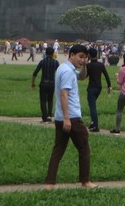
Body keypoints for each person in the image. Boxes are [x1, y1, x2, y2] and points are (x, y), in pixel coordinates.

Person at [45, 44, 97, 189]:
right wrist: (67, 118)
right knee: (84, 149)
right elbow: (64, 95)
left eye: (85, 58)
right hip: (71, 117)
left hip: (60, 117)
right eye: (80, 57)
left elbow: (81, 77)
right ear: (71, 54)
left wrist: (85, 66)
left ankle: (49, 183)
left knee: (58, 151)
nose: (82, 60)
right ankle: (85, 181)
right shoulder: (68, 72)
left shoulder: (64, 68)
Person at [79, 47, 112, 132]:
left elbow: (84, 76)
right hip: (99, 88)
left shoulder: (89, 65)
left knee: (92, 107)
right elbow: (106, 75)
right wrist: (109, 86)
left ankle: (95, 125)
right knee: (92, 105)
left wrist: (84, 67)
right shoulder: (100, 65)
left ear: (89, 55)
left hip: (91, 87)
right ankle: (92, 124)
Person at [32, 46, 60, 123]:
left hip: (43, 83)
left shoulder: (42, 62)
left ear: (46, 53)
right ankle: (49, 115)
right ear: (53, 53)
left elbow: (35, 73)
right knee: (50, 100)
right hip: (51, 83)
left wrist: (33, 83)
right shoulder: (56, 62)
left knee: (43, 101)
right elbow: (60, 73)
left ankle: (44, 117)